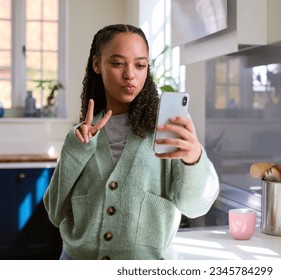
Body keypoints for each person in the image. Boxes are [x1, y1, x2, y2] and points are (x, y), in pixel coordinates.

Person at [43, 24, 219, 260]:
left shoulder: (168, 127)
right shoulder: (79, 136)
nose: (130, 75)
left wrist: (194, 159)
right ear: (97, 64)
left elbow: (195, 207)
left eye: (140, 65)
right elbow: (55, 212)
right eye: (117, 63)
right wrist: (78, 150)